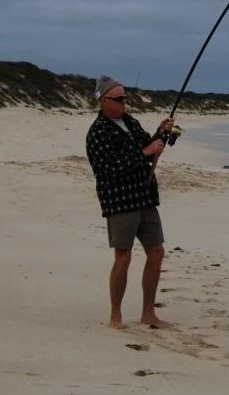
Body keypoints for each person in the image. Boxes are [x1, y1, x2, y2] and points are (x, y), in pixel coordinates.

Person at [85, 75, 175, 329]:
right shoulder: (98, 133)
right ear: (103, 101)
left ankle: (149, 313)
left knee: (156, 251)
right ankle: (116, 315)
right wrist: (145, 152)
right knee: (123, 256)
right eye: (119, 98)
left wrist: (161, 132)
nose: (125, 102)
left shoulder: (129, 121)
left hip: (144, 195)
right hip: (120, 201)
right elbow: (109, 170)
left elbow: (148, 145)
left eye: (126, 97)